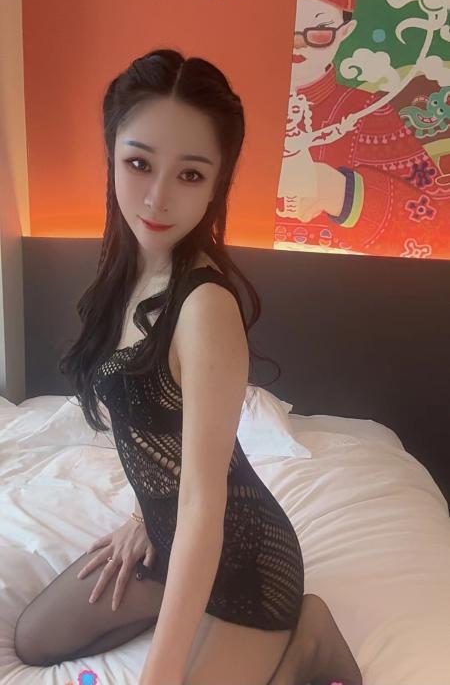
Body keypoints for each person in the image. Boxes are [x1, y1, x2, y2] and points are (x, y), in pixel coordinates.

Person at [13, 49, 362, 685]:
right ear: (112, 154)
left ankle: (308, 636)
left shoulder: (203, 307)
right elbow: (153, 441)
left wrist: (161, 673)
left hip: (245, 561)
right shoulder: (127, 272)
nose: (157, 197)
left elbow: (203, 502)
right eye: (139, 163)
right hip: (167, 537)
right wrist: (142, 518)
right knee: (35, 640)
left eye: (191, 175)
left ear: (218, 182)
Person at [276, 0, 450, 259]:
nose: (298, 44)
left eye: (318, 31)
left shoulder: (368, 112)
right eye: (285, 29)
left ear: (345, 32)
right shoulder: (235, 106)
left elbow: (437, 225)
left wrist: (342, 192)